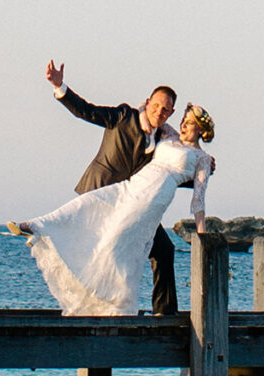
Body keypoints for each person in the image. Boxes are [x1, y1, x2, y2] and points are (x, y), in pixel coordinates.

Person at [18, 99, 217, 319]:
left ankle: (116, 301)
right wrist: (147, 104)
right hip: (132, 184)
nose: (183, 125)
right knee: (90, 203)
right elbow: (145, 114)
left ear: (201, 129)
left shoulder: (203, 159)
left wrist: (201, 235)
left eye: (189, 123)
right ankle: (39, 226)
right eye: (183, 120)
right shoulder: (169, 136)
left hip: (154, 197)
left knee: (117, 241)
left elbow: (198, 200)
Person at [42, 61, 182, 313]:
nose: (159, 112)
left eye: (166, 110)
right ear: (148, 102)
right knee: (87, 247)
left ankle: (165, 313)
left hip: (133, 206)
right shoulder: (123, 116)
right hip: (99, 195)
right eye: (157, 106)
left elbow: (169, 174)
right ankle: (39, 234)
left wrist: (202, 168)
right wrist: (59, 86)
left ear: (170, 114)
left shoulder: (164, 140)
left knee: (164, 250)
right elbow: (86, 111)